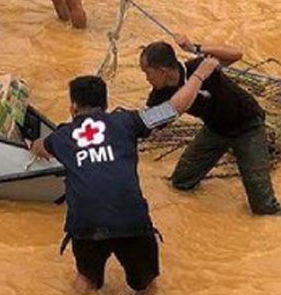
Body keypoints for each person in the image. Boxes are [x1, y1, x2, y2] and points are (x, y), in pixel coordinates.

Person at [30, 61, 219, 294]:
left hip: (87, 222)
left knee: (85, 279)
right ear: (106, 104)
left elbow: (40, 147)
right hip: (131, 218)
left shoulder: (61, 137)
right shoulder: (127, 121)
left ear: (73, 107)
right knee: (147, 286)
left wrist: (33, 146)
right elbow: (173, 108)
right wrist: (199, 75)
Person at [140, 35, 281, 215]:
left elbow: (236, 54)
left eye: (147, 73)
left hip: (248, 126)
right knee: (181, 182)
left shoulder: (197, 67)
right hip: (216, 130)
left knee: (263, 206)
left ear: (162, 71)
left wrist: (197, 48)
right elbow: (150, 122)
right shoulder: (159, 95)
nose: (147, 78)